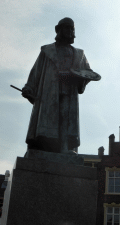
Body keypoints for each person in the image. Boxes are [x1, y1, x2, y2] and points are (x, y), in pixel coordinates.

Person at [22, 18, 91, 154]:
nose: (70, 31)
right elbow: (36, 70)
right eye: (67, 28)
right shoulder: (47, 50)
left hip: (69, 91)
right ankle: (42, 146)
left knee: (66, 118)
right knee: (47, 119)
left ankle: (64, 148)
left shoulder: (79, 54)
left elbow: (88, 73)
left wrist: (77, 77)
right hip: (49, 90)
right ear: (58, 29)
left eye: (72, 29)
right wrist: (29, 87)